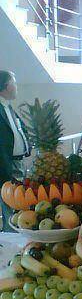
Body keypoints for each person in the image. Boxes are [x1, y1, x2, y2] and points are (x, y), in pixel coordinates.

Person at [0, 71, 30, 231]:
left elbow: (17, 131)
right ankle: (9, 235)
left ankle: (12, 233)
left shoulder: (7, 107)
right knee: (10, 204)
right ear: (6, 86)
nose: (16, 87)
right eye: (14, 83)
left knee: (16, 203)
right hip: (6, 164)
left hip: (17, 162)